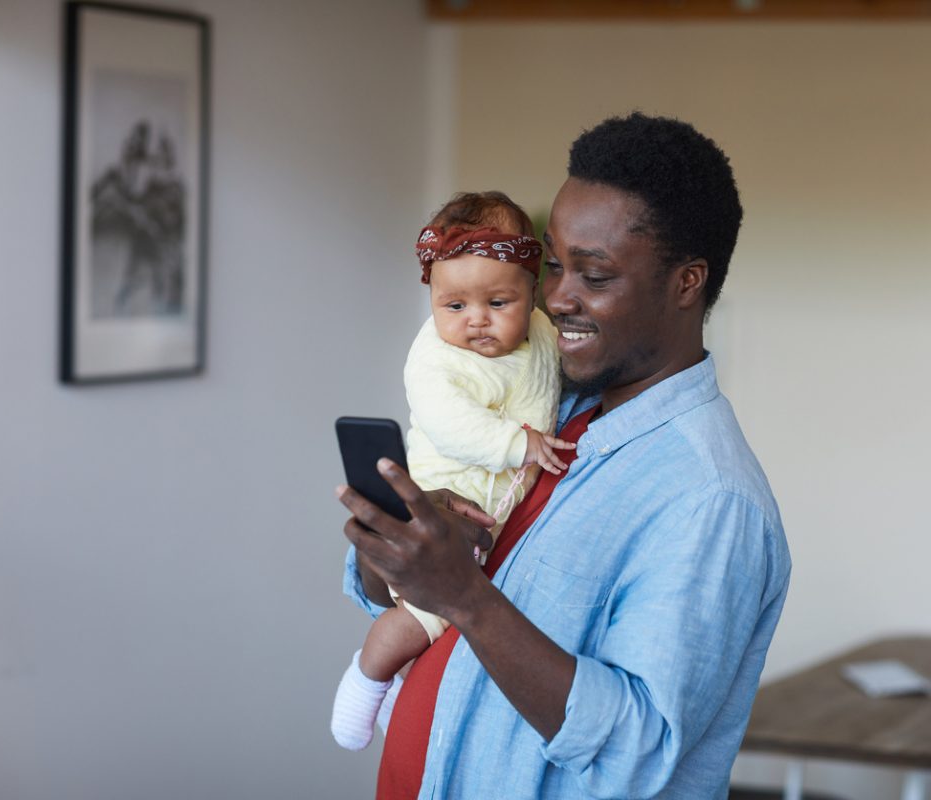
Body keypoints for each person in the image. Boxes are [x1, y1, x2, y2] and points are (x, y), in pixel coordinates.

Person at [338, 112, 791, 799]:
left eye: (595, 275)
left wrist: (467, 595)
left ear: (687, 283)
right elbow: (399, 606)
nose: (555, 296)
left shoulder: (710, 500)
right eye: (553, 263)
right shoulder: (555, 413)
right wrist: (395, 550)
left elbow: (635, 755)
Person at [331, 192, 574, 751]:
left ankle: (396, 690)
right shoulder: (434, 358)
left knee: (447, 625)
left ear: (532, 293)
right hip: (453, 498)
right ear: (433, 300)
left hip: (497, 509)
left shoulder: (542, 335)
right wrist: (518, 443)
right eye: (455, 306)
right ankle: (366, 678)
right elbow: (450, 424)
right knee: (418, 619)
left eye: (498, 301)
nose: (477, 321)